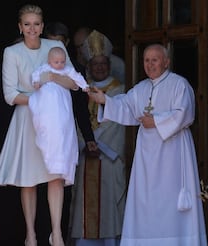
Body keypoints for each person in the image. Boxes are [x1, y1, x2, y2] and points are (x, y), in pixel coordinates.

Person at [87, 44, 207, 245]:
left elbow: (185, 113)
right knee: (146, 201)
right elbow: (124, 107)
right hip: (146, 157)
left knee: (169, 202)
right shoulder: (141, 89)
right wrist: (104, 100)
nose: (150, 64)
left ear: (166, 62)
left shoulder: (179, 84)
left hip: (173, 154)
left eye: (155, 60)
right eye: (146, 60)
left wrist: (157, 120)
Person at [0, 4, 80, 246]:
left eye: (36, 24)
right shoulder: (12, 52)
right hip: (28, 118)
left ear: (42, 26)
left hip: (55, 120)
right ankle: (30, 234)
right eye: (27, 24)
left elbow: (73, 83)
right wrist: (40, 100)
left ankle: (57, 233)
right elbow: (10, 95)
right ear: (20, 26)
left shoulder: (56, 47)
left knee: (55, 176)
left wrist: (52, 78)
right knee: (28, 179)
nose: (32, 28)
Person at [70, 30, 127, 246]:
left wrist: (98, 145)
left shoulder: (120, 90)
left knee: (109, 207)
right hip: (86, 158)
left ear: (109, 65)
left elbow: (118, 124)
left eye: (103, 63)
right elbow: (75, 121)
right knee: (85, 210)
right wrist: (86, 143)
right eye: (95, 64)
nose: (100, 67)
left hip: (109, 160)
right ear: (89, 66)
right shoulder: (81, 90)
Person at [43, 22, 98, 245]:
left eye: (59, 42)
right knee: (39, 188)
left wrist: (89, 137)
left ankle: (59, 237)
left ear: (65, 43)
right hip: (42, 134)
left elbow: (80, 109)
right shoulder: (41, 65)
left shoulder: (73, 68)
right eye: (51, 41)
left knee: (62, 188)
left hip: (65, 135)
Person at [29, 46, 89, 185]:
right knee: (45, 127)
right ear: (50, 61)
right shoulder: (44, 68)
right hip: (46, 103)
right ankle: (49, 159)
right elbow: (36, 74)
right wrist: (36, 82)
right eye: (57, 62)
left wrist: (84, 86)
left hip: (62, 104)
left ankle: (60, 164)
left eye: (62, 62)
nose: (60, 65)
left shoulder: (66, 70)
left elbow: (76, 77)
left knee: (63, 131)